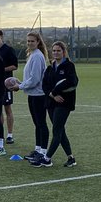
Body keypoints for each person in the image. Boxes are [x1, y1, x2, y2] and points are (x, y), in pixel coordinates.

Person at [35, 40, 78, 168]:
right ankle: (71, 158)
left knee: (57, 131)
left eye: (58, 50)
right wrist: (52, 94)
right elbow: (45, 85)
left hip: (64, 103)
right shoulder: (50, 68)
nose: (55, 53)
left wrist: (56, 92)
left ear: (64, 52)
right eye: (54, 50)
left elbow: (71, 81)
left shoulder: (69, 66)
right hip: (51, 103)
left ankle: (47, 159)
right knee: (61, 131)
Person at [20, 32, 49, 163]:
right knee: (37, 123)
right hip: (32, 94)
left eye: (32, 41)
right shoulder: (32, 55)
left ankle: (43, 151)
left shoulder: (37, 56)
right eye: (28, 41)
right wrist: (22, 84)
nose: (30, 43)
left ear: (38, 42)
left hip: (39, 95)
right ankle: (37, 149)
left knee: (41, 123)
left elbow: (35, 79)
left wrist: (19, 86)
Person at [0, 29, 18, 144]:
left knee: (7, 108)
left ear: (1, 36)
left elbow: (14, 66)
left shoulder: (8, 50)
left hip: (6, 84)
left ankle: (10, 135)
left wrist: (1, 70)